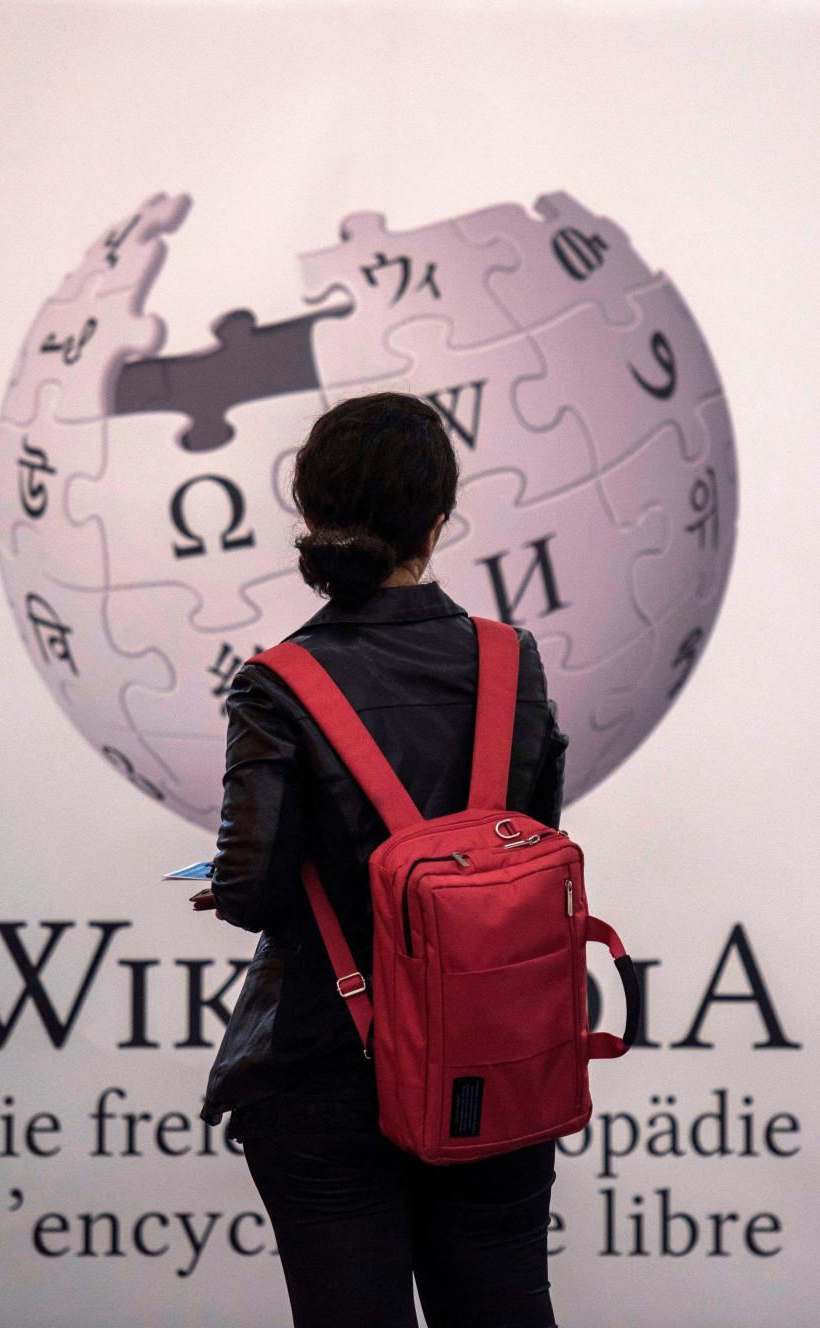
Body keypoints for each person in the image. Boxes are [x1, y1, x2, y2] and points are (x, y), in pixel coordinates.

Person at [191, 391, 569, 1328]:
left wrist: (231, 884)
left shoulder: (278, 683)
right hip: (493, 1066)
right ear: (436, 524)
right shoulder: (511, 663)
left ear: (310, 518)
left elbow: (252, 888)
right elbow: (526, 852)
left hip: (327, 1066)